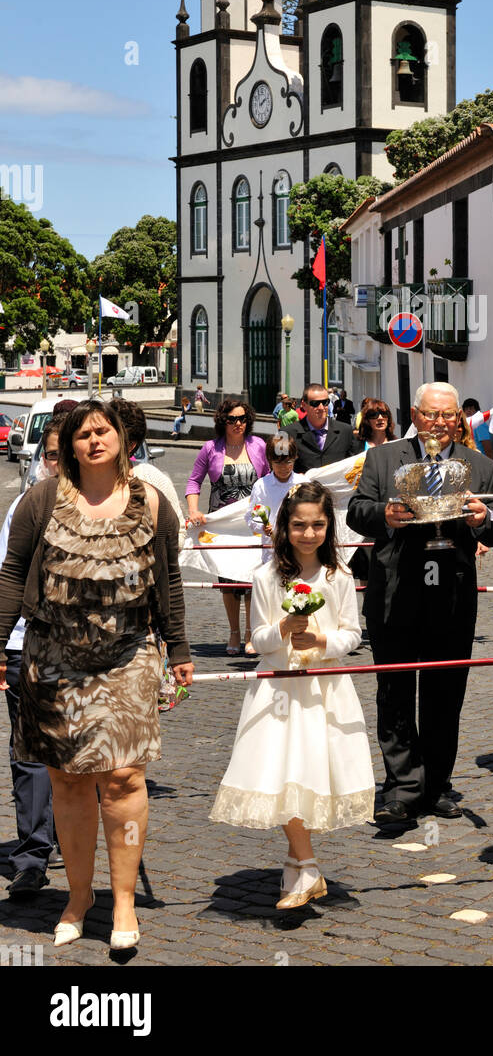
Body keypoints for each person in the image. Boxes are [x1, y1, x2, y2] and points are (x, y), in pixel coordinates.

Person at [0, 400, 192, 949]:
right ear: (68, 445)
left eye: (102, 430)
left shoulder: (152, 503)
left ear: (122, 438)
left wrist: (178, 647)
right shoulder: (39, 500)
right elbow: (13, 574)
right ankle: (79, 896)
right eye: (81, 434)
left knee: (125, 778)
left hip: (128, 654)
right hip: (53, 656)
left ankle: (124, 901)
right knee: (67, 779)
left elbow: (170, 582)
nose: (92, 441)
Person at [210, 481, 375, 908]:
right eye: (299, 525)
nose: (308, 534)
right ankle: (305, 864)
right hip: (279, 686)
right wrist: (283, 629)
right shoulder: (266, 577)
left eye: (318, 525)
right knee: (280, 774)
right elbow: (259, 640)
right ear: (285, 526)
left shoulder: (339, 576)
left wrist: (322, 643)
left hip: (323, 687)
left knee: (305, 774)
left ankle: (298, 865)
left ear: (328, 527)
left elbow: (353, 634)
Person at [347, 382, 493, 824]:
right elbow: (356, 511)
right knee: (394, 692)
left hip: (451, 594)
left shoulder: (481, 466)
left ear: (458, 419)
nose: (438, 423)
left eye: (447, 416)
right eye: (430, 415)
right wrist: (384, 515)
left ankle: (435, 785)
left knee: (444, 693)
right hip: (395, 591)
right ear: (414, 416)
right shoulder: (381, 458)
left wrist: (483, 520)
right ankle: (402, 788)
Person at [0, 419, 62, 899]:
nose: (63, 465)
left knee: (79, 753)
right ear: (44, 460)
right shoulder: (25, 506)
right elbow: (8, 577)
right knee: (29, 755)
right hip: (27, 644)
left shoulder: (109, 508)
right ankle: (33, 855)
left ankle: (69, 833)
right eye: (56, 454)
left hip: (90, 651)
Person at [185, 397, 269, 655]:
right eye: (232, 419)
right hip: (222, 525)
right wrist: (193, 511)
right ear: (223, 421)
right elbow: (194, 483)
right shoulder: (210, 448)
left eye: (242, 419)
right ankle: (233, 631)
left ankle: (250, 632)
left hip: (252, 523)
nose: (238, 424)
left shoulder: (259, 445)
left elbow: (269, 481)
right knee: (229, 580)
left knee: (253, 579)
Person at [108, 398, 184, 528]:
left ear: (130, 445)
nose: (95, 440)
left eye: (104, 432)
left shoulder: (152, 479)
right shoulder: (78, 480)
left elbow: (178, 531)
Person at [246, 434, 301, 561]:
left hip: (299, 550)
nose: (283, 467)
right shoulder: (261, 486)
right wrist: (262, 527)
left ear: (295, 458)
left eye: (288, 462)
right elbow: (250, 517)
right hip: (272, 552)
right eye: (278, 463)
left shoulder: (303, 483)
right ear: (269, 460)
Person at [286, 382, 362, 473]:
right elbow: (278, 468)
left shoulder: (346, 431)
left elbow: (356, 467)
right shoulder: (286, 434)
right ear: (304, 404)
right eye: (315, 403)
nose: (321, 408)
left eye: (325, 402)